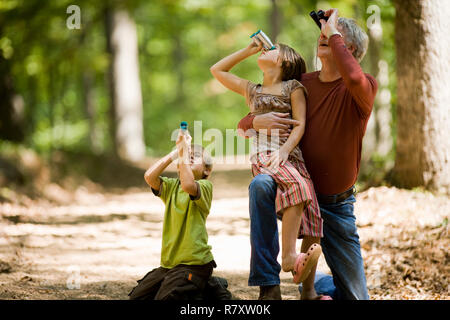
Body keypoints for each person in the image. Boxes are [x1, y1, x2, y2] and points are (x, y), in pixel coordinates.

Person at [237, 9, 378, 300]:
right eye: (322, 36)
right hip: (292, 189)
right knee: (260, 184)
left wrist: (333, 32)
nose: (322, 38)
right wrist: (252, 121)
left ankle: (313, 287)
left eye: (331, 37)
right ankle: (268, 285)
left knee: (356, 297)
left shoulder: (363, 87)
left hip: (336, 206)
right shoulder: (301, 84)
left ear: (347, 48)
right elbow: (249, 119)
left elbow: (352, 76)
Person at [210, 35, 328, 300]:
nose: (266, 48)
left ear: (284, 62)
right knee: (297, 186)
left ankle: (306, 290)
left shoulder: (293, 88)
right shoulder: (253, 90)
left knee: (314, 218)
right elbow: (217, 70)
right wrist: (247, 49)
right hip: (265, 155)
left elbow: (300, 124)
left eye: (273, 49)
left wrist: (286, 150)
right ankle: (287, 258)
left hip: (290, 157)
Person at [128, 130, 218, 300]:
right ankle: (205, 287)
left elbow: (188, 185)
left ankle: (206, 286)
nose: (190, 156)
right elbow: (149, 176)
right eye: (187, 155)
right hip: (169, 265)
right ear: (178, 167)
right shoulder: (171, 187)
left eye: (196, 156)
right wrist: (176, 152)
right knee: (137, 297)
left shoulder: (204, 186)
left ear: (207, 170)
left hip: (195, 265)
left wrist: (184, 154)